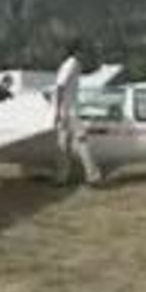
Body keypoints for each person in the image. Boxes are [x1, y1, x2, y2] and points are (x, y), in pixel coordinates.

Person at [53, 40, 102, 186]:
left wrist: (58, 111)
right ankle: (93, 177)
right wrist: (58, 110)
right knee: (82, 142)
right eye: (82, 50)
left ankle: (61, 179)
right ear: (76, 51)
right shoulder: (72, 64)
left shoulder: (70, 64)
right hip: (69, 112)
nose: (84, 53)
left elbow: (62, 87)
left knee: (63, 145)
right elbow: (60, 87)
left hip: (65, 111)